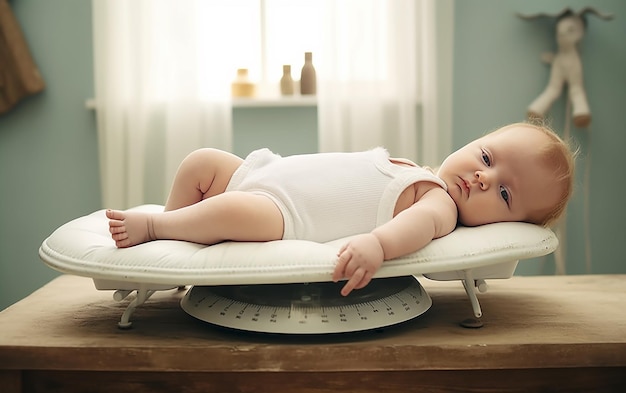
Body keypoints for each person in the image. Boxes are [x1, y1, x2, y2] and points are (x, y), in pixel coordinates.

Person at [106, 122, 575, 296]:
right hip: (266, 171)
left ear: (508, 222)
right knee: (200, 162)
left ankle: (159, 225)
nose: (483, 178)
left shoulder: (440, 207)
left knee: (230, 212)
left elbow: (414, 228)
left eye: (505, 195)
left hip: (283, 211)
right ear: (475, 142)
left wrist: (376, 244)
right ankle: (168, 261)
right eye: (487, 158)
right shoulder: (420, 172)